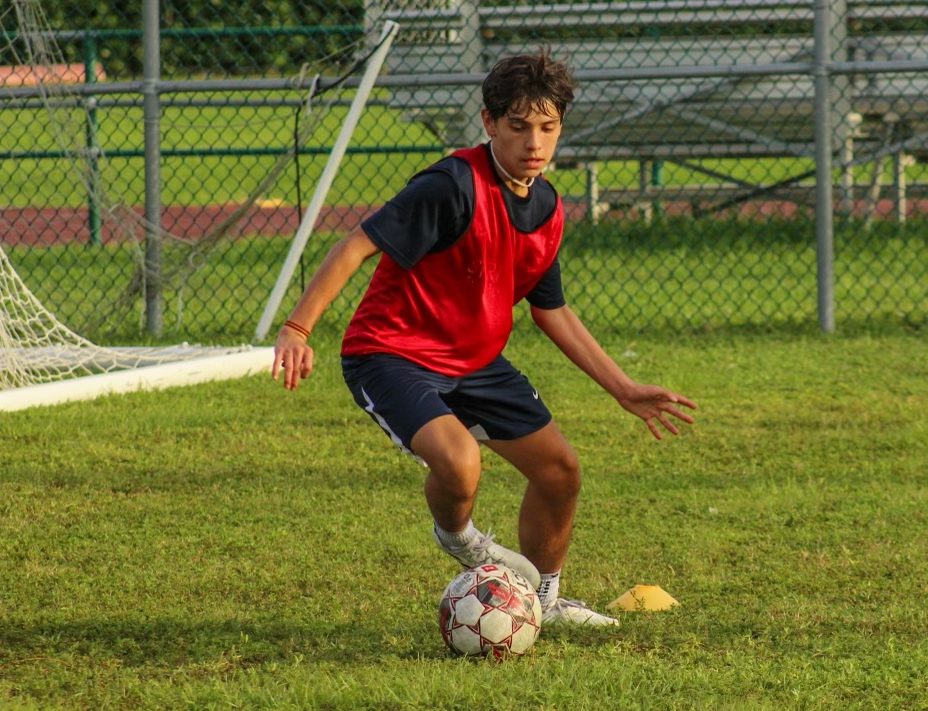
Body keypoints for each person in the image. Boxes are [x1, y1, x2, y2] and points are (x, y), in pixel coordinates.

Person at [272, 50, 696, 627]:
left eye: (548, 127)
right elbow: (353, 245)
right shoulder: (451, 185)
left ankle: (542, 603)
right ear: (489, 122)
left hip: (474, 362)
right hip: (391, 353)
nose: (534, 142)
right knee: (459, 461)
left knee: (560, 472)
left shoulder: (545, 204)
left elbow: (552, 310)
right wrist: (297, 328)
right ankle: (467, 545)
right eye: (518, 126)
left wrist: (621, 387)